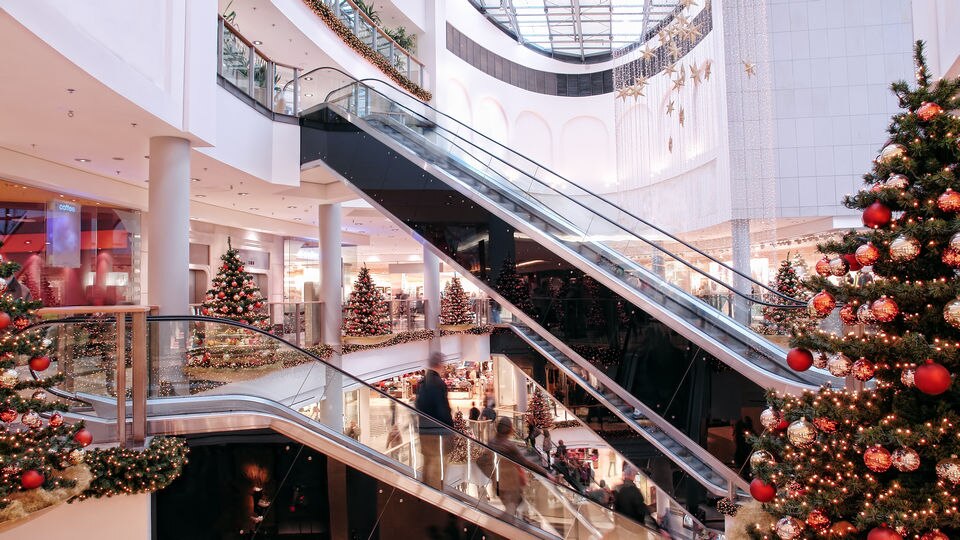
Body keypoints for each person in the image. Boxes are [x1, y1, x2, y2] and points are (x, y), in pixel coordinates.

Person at [488, 416, 554, 518]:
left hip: (498, 483)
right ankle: (501, 529)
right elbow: (526, 462)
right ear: (509, 429)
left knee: (516, 508)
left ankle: (511, 526)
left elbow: (482, 462)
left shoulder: (491, 442)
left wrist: (491, 476)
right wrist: (546, 473)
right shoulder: (509, 445)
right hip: (511, 483)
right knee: (517, 509)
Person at [415, 352, 454, 490]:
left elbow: (417, 406)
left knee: (427, 464)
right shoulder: (439, 384)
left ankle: (424, 497)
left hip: (423, 431)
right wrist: (451, 428)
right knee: (438, 468)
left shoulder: (422, 383)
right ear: (440, 364)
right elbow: (442, 409)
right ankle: (435, 499)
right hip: (438, 433)